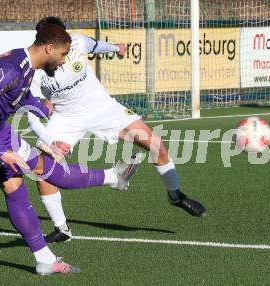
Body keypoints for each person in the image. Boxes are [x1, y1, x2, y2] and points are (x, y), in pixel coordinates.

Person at [0, 24, 142, 275]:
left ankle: (45, 260)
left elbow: (21, 97)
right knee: (17, 184)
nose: (64, 61)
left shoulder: (26, 67)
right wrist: (1, 151)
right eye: (63, 54)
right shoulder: (10, 70)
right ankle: (113, 178)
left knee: (38, 172)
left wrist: (42, 110)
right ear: (49, 48)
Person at [30, 17, 207, 244]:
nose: (67, 45)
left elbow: (96, 45)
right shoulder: (34, 70)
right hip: (67, 118)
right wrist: (43, 106)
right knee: (42, 168)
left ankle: (175, 195)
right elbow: (33, 108)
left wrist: (117, 48)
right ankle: (62, 228)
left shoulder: (77, 42)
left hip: (104, 108)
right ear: (48, 44)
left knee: (155, 145)